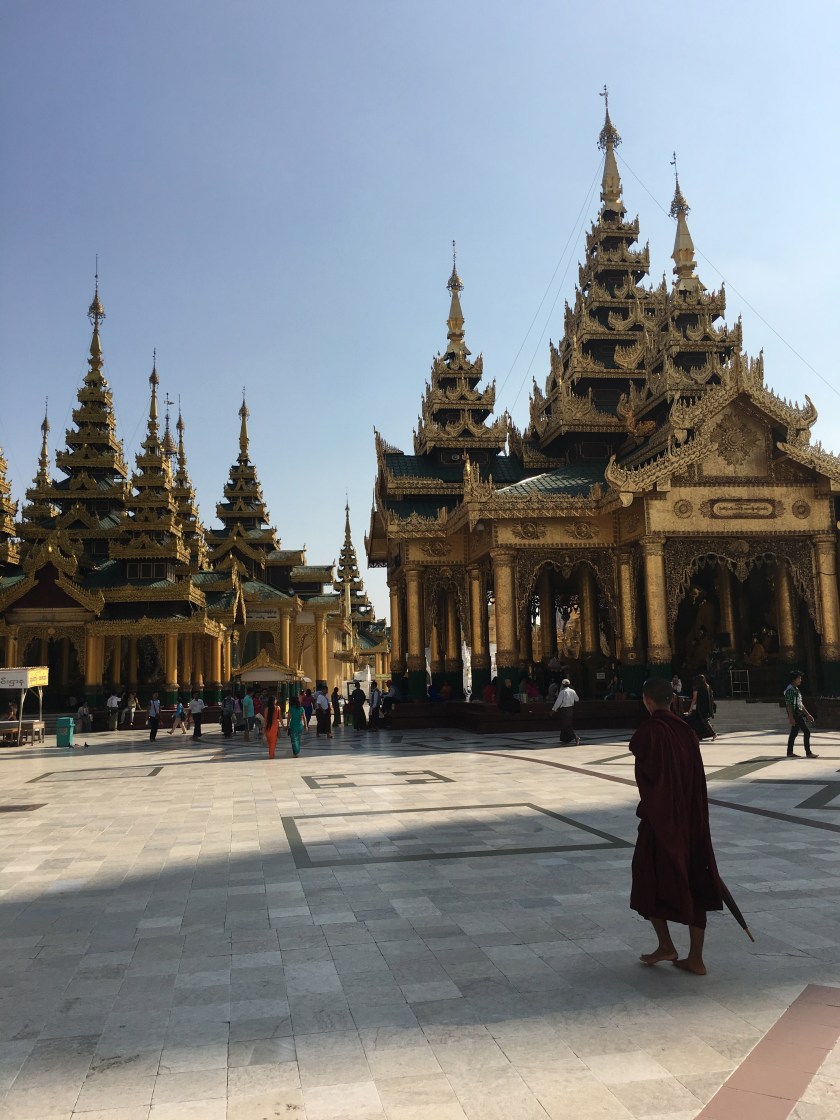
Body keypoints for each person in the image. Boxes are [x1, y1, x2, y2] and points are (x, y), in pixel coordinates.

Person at [630, 677, 724, 976]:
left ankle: (666, 944)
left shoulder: (650, 731)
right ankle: (695, 957)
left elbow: (649, 777)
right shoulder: (685, 729)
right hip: (692, 818)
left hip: (661, 821)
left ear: (647, 701)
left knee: (647, 878)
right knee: (696, 877)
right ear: (672, 700)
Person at [784, 671, 819, 759]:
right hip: (795, 713)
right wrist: (791, 717)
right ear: (794, 680)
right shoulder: (790, 690)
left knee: (794, 733)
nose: (801, 680)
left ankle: (789, 752)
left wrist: (807, 714)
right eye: (799, 678)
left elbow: (801, 704)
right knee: (807, 732)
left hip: (798, 712)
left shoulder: (796, 689)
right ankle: (808, 752)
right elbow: (789, 705)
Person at [551, 678, 580, 745]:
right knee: (566, 724)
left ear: (563, 685)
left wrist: (553, 710)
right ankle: (565, 739)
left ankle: (575, 737)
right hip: (570, 710)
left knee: (566, 725)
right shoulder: (572, 691)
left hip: (564, 710)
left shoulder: (562, 692)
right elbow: (577, 699)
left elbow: (558, 702)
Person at [687, 674, 716, 741]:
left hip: (701, 706)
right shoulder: (707, 686)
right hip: (707, 705)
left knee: (704, 720)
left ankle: (713, 734)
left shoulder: (697, 687)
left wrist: (690, 709)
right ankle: (700, 735)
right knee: (700, 720)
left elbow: (694, 699)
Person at [264, 694, 280, 759]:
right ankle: (271, 753)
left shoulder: (266, 709)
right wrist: (283, 726)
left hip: (268, 725)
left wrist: (263, 728)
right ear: (274, 701)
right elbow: (280, 718)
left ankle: (271, 753)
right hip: (275, 725)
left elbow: (265, 720)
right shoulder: (278, 708)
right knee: (273, 740)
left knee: (269, 740)